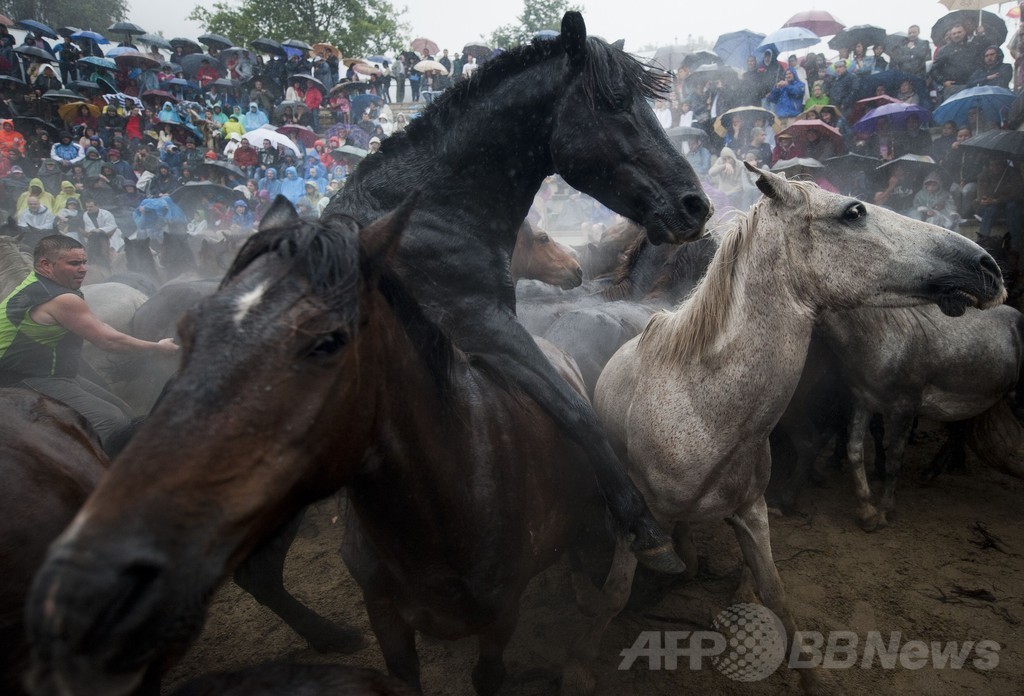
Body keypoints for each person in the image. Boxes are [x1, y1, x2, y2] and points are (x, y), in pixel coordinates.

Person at [0, 236, 178, 445]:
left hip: (46, 372)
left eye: (84, 262)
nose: (83, 268)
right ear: (45, 265)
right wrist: (157, 347)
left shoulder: (39, 284)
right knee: (110, 420)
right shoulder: (60, 299)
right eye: (74, 263)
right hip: (16, 377)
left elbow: (99, 327)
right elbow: (108, 342)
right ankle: (101, 473)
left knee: (124, 410)